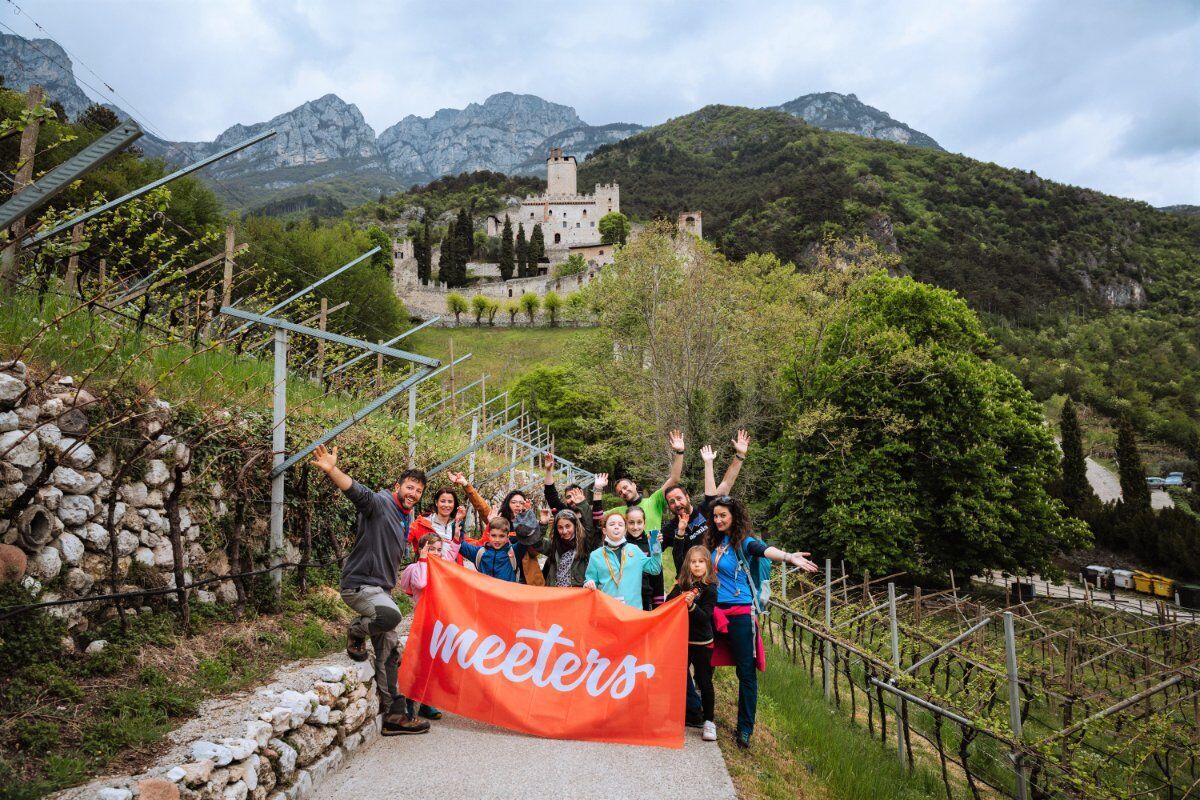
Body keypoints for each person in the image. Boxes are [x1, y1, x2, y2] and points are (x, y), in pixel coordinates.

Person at [311, 443, 429, 736]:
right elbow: (356, 491)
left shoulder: (406, 517)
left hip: (381, 591)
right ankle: (356, 630)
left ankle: (394, 715)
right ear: (397, 486)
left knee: (390, 651)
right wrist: (332, 470)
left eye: (418, 491)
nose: (413, 494)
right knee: (391, 616)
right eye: (410, 487)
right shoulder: (379, 503)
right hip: (360, 585)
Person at [706, 494, 817, 749]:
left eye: (723, 515)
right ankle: (702, 713)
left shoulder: (744, 543)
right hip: (714, 612)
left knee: (745, 672)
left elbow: (764, 550)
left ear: (735, 516)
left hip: (740, 614)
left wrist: (789, 557)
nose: (718, 519)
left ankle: (745, 728)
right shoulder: (713, 541)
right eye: (715, 516)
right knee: (703, 661)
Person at [665, 431, 751, 574]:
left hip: (718, 572)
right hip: (692, 580)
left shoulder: (707, 509)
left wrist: (740, 456)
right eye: (671, 502)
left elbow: (727, 483)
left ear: (687, 497)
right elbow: (651, 551)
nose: (677, 504)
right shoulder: (670, 529)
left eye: (679, 498)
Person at [448, 472, 544, 584]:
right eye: (514, 502)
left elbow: (533, 544)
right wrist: (465, 484)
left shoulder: (529, 527)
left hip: (526, 577)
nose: (518, 505)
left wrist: (527, 515)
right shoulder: (498, 520)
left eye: (521, 502)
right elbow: (481, 506)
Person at [399, 533, 454, 721]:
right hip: (422, 622)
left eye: (439, 550)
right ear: (422, 549)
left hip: (439, 623)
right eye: (431, 549)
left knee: (433, 662)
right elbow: (419, 584)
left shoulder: (441, 570)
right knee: (417, 663)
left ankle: (426, 702)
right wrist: (423, 559)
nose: (436, 553)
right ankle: (408, 701)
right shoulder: (416, 568)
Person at [666, 545, 719, 742]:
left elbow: (705, 617)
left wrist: (691, 605)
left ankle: (709, 722)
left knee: (704, 681)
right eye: (693, 562)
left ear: (707, 565)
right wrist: (677, 593)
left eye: (701, 562)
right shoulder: (683, 584)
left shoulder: (710, 589)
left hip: (702, 643)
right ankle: (675, 716)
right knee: (678, 677)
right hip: (682, 640)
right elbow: (668, 602)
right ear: (688, 564)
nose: (696, 566)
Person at [608, 429, 686, 545]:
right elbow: (594, 517)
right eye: (620, 492)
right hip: (630, 560)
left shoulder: (654, 501)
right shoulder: (618, 513)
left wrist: (680, 452)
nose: (623, 492)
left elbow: (674, 479)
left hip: (653, 560)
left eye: (625, 487)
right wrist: (598, 490)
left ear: (634, 485)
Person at [583, 510, 663, 608]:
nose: (616, 527)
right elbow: (590, 580)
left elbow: (655, 568)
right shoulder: (595, 555)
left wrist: (656, 546)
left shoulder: (635, 550)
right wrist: (589, 583)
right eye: (612, 524)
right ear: (604, 530)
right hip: (609, 611)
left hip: (633, 612)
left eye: (620, 525)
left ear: (624, 530)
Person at [457, 516, 541, 582]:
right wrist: (459, 521)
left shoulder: (514, 552)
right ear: (488, 535)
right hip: (484, 601)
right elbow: (459, 544)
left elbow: (530, 536)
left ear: (508, 536)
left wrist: (542, 524)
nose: (497, 540)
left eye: (501, 536)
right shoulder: (479, 553)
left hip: (506, 601)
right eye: (494, 536)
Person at [542, 451, 599, 549]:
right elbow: (550, 494)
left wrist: (598, 489)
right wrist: (548, 470)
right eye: (568, 497)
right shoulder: (564, 512)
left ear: (583, 496)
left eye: (575, 495)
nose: (572, 499)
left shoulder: (592, 513)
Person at [533, 505, 590, 587]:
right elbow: (536, 543)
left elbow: (591, 525)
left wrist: (582, 504)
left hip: (575, 596)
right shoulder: (554, 546)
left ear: (575, 525)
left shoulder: (584, 545)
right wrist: (543, 524)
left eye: (568, 526)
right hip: (555, 595)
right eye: (560, 527)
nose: (564, 531)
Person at [408, 486, 467, 562]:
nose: (446, 505)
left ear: (454, 504)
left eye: (450, 502)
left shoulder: (457, 527)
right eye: (443, 501)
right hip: (428, 571)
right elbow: (402, 540)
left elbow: (474, 546)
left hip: (452, 571)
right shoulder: (421, 523)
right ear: (436, 503)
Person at [624, 506, 662, 610]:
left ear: (644, 523)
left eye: (639, 522)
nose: (635, 527)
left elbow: (658, 576)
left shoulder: (652, 543)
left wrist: (658, 605)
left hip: (645, 600)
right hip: (624, 600)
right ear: (626, 523)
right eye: (631, 522)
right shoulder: (621, 545)